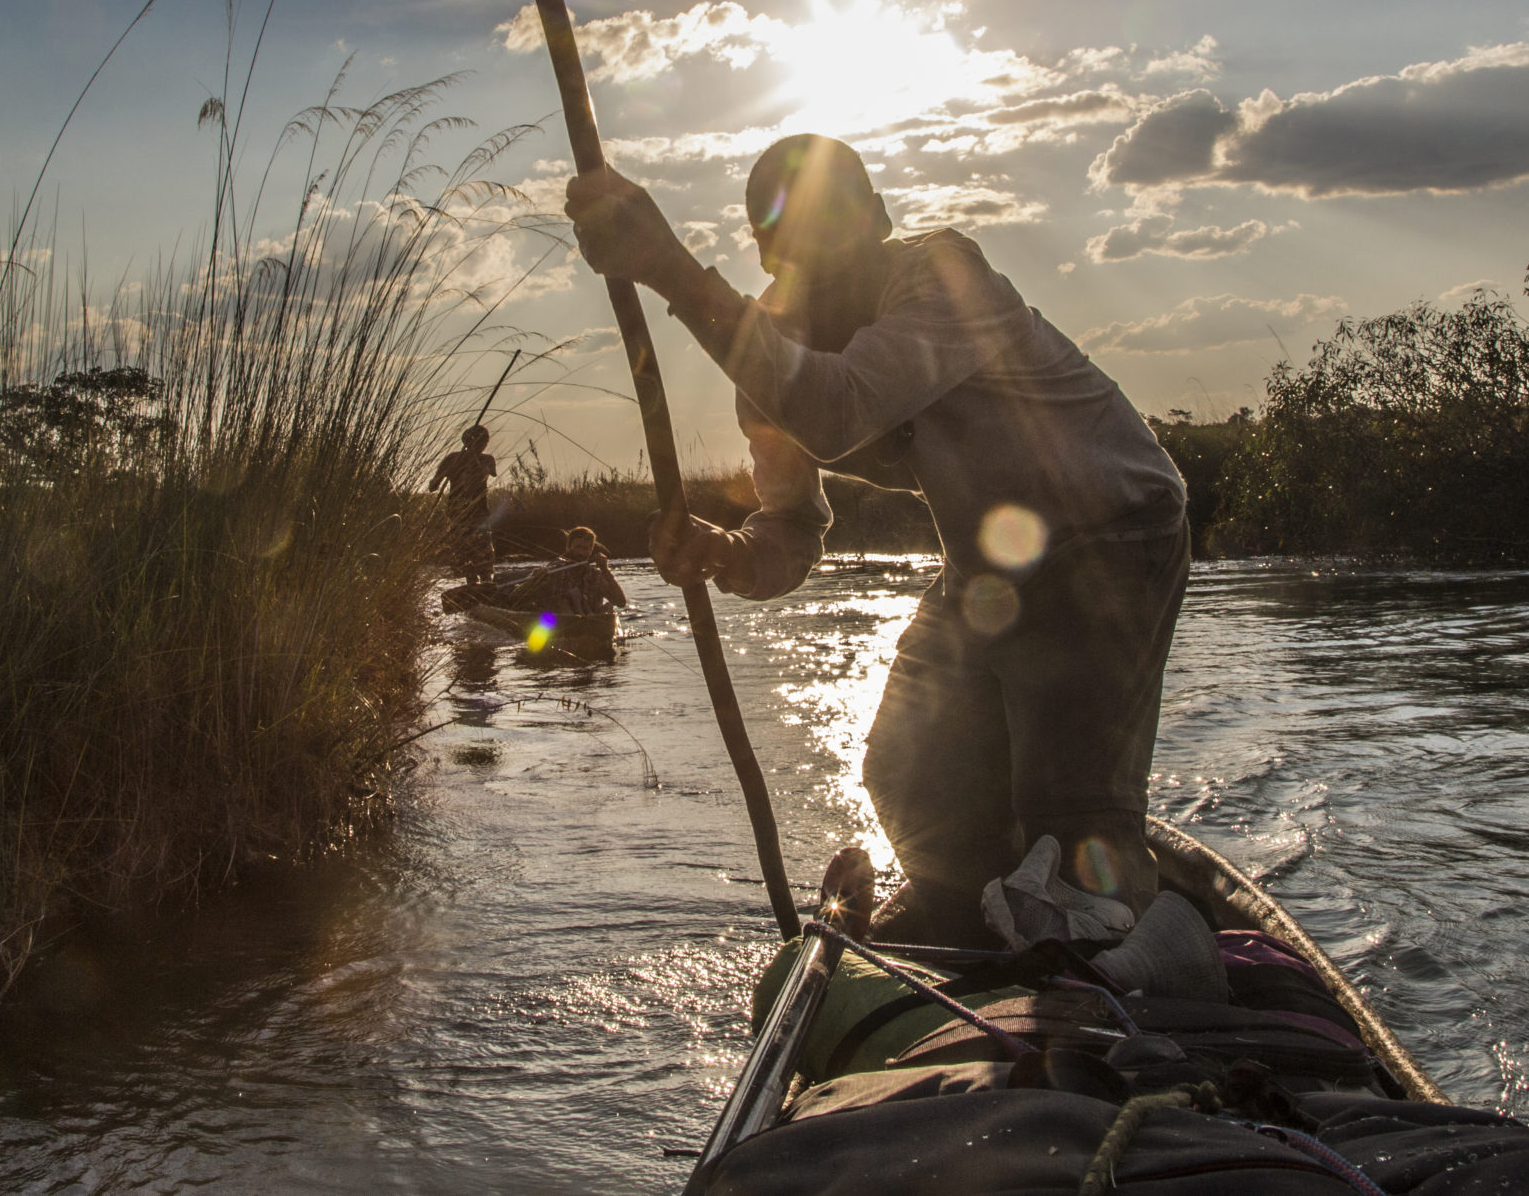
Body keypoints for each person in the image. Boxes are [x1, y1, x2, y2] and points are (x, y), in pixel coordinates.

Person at [567, 135, 1188, 947]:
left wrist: (668, 268)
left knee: (1073, 816)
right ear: (766, 250)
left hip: (1111, 529)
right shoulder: (769, 354)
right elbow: (792, 528)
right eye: (791, 237)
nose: (819, 256)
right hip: (990, 563)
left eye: (837, 227)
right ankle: (965, 913)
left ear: (879, 220)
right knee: (904, 770)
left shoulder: (944, 276)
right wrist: (724, 551)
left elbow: (839, 406)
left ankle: (1108, 930)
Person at [429, 424, 498, 583]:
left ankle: (487, 585)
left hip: (480, 515)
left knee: (484, 557)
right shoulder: (453, 459)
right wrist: (446, 472)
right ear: (468, 441)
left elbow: (484, 474)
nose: (483, 445)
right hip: (458, 516)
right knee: (466, 558)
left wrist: (472, 456)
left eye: (485, 442)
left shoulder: (487, 459)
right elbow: (433, 486)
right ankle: (471, 587)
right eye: (480, 442)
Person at [557, 525, 630, 614]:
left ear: (591, 550)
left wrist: (605, 570)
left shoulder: (596, 576)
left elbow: (621, 603)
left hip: (591, 623)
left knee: (608, 608)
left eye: (585, 548)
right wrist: (537, 578)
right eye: (577, 547)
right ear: (568, 547)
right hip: (562, 623)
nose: (581, 552)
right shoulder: (555, 572)